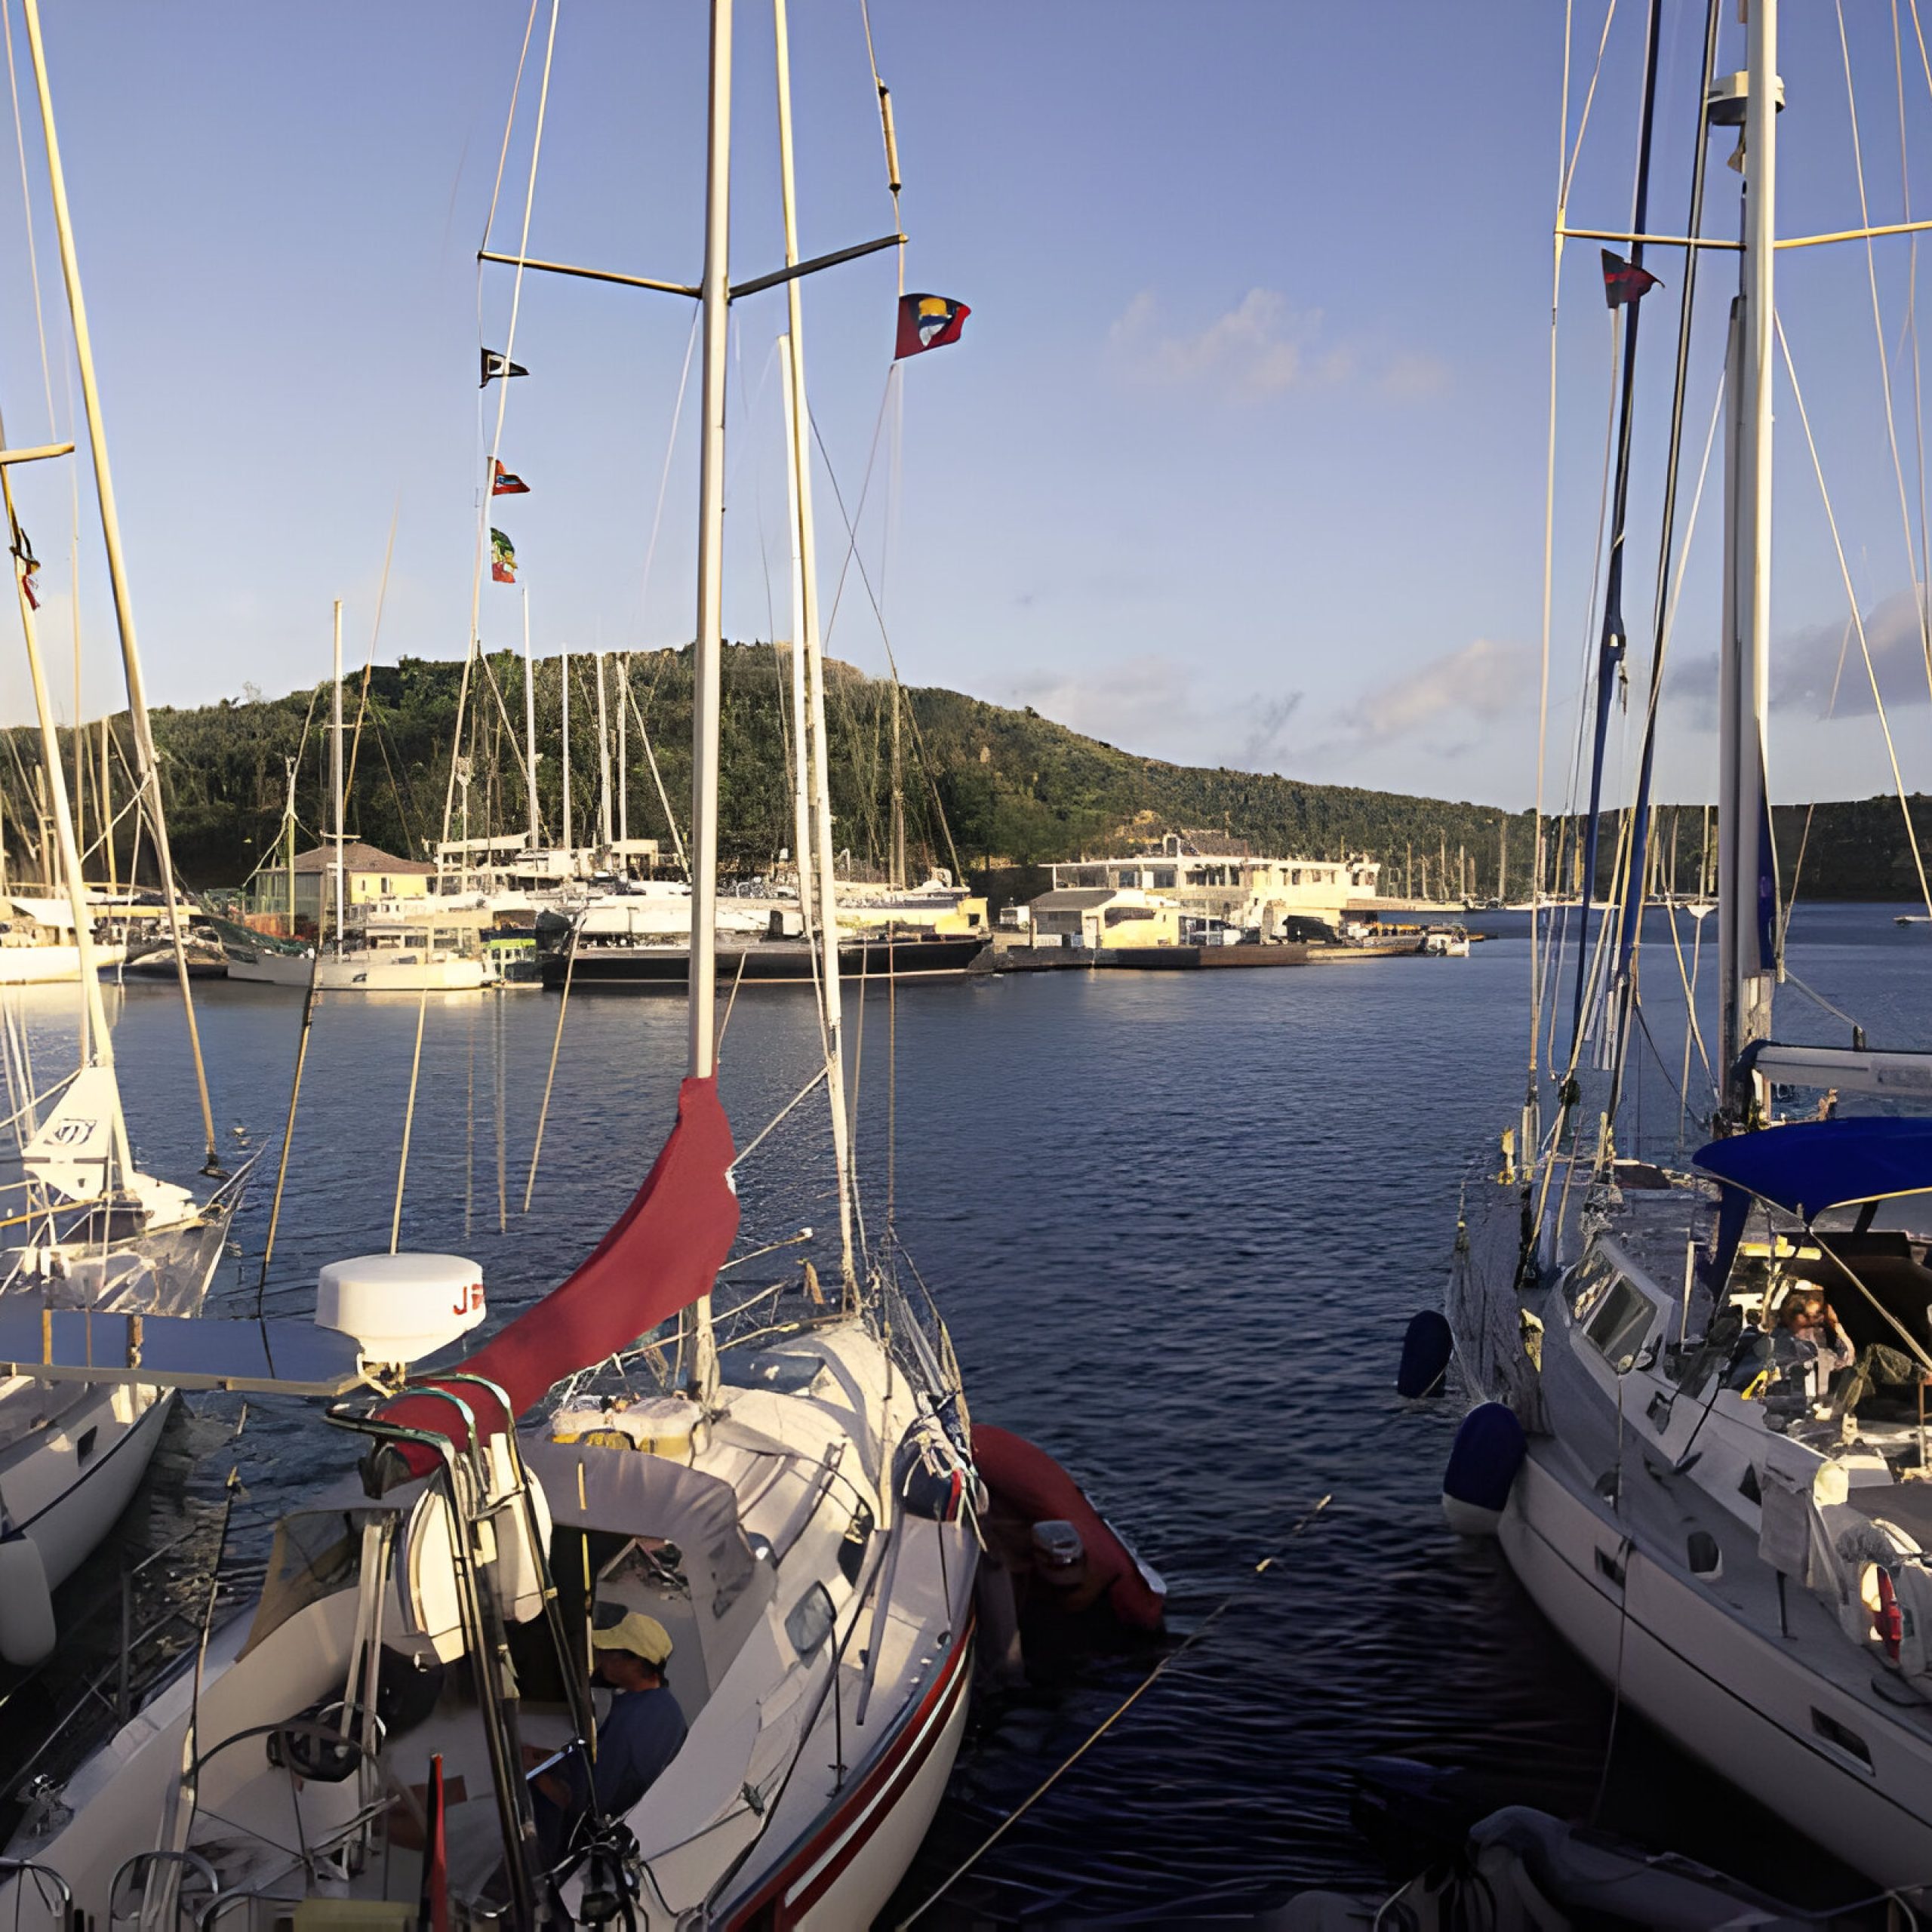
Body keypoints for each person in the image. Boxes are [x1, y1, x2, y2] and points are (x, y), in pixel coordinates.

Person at [531, 1611, 687, 1855]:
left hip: (577, 1844)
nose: (601, 1660)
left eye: (609, 1654)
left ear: (637, 1662)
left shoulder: (629, 1724)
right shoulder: (669, 1710)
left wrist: (535, 1775)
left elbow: (586, 1804)